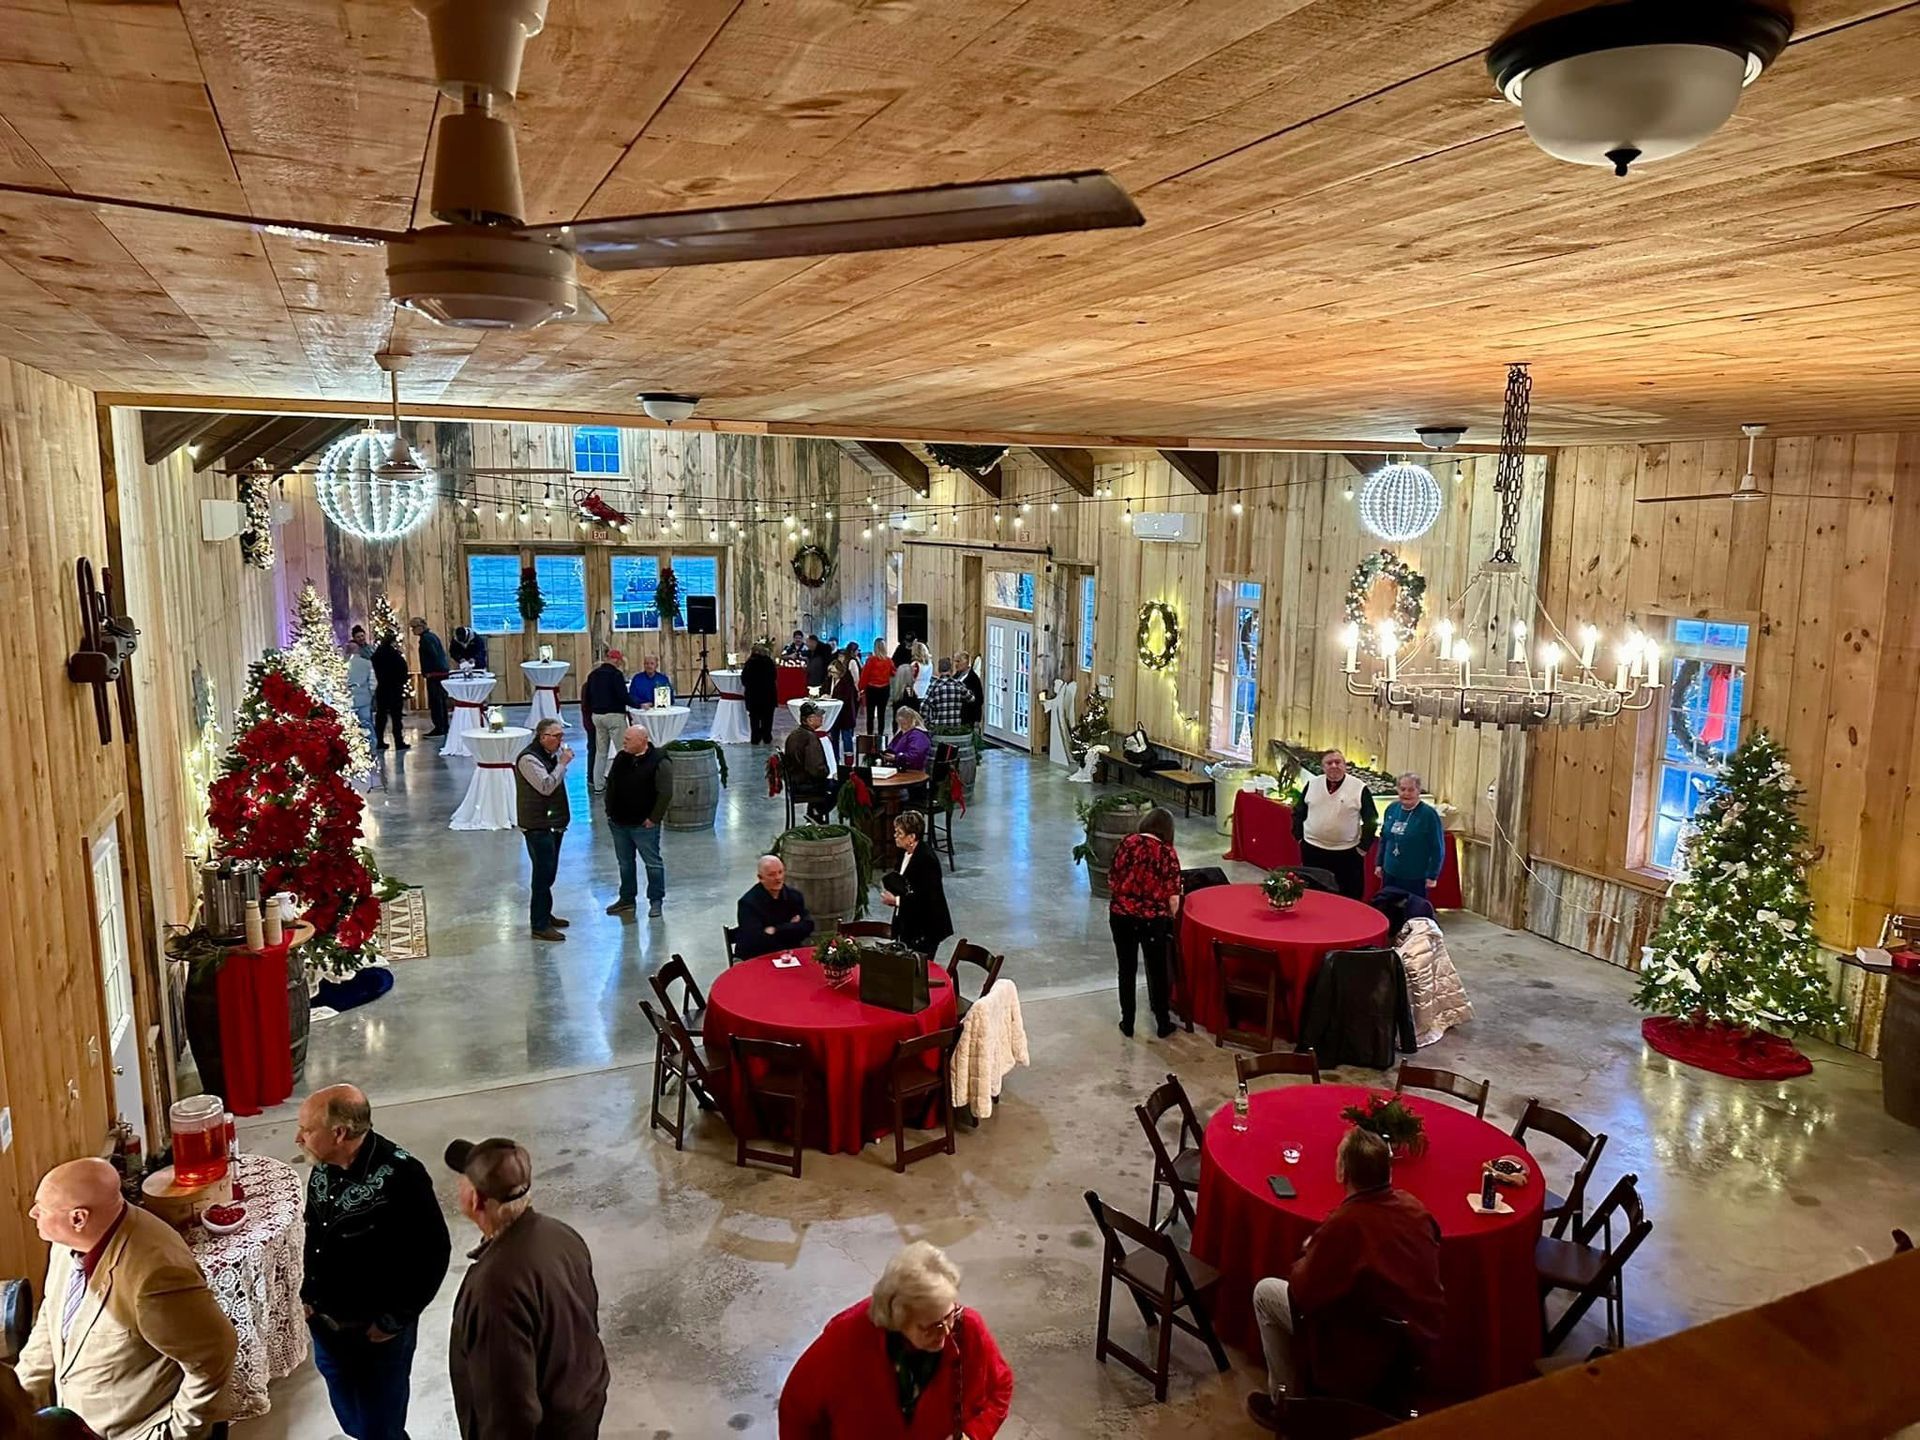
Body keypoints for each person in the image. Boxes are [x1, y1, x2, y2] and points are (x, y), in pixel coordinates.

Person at [15, 1158, 236, 1440]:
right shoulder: (67, 1243)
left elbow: (214, 1356)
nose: (33, 1213)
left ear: (78, 1218)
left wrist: (177, 1433)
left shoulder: (156, 1275)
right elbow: (52, 1316)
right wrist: (18, 1402)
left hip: (137, 1430)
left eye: (42, 1209)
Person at [1247, 1128, 1444, 1431]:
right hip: (1415, 1347)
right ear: (1387, 1172)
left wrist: (1309, 1253)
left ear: (1342, 1171)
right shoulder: (1414, 1207)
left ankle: (1285, 1404)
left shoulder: (1345, 1225)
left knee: (1265, 1293)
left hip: (1360, 1348)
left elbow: (1303, 1294)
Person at [297, 1085, 451, 1440]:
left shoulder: (403, 1177)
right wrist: (306, 1296)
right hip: (326, 1326)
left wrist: (393, 1321)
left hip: (376, 1336)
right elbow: (314, 1235)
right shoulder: (322, 1168)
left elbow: (433, 1253)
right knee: (356, 1423)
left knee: (380, 1429)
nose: (298, 1138)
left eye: (306, 1130)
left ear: (339, 1133)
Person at [444, 1139, 609, 1440]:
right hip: (580, 1408)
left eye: (463, 1179)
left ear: (476, 1200)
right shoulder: (561, 1235)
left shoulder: (494, 1289)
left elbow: (508, 1408)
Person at [778, 1241, 1012, 1440]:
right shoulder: (846, 1342)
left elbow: (1000, 1385)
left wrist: (974, 1434)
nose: (946, 1333)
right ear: (898, 1319)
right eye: (930, 1327)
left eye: (949, 1316)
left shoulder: (967, 1328)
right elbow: (797, 1410)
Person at [1105, 806, 1182, 1038]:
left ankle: (1127, 1022)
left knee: (1126, 969)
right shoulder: (1167, 853)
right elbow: (1173, 896)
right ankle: (1162, 1023)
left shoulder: (1127, 843)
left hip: (1121, 916)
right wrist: (1172, 919)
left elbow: (1112, 878)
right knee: (1158, 971)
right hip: (1152, 920)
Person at [1292, 749, 1378, 901]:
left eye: (1338, 762)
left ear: (1345, 766)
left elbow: (1371, 819)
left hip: (1347, 853)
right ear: (1323, 767)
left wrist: (1363, 847)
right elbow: (1299, 812)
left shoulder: (1359, 788)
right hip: (1313, 850)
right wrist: (1299, 837)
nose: (1334, 766)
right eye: (1329, 763)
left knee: (1348, 896)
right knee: (1314, 895)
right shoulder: (1312, 784)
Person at [605, 723, 672, 919]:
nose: (623, 743)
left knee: (652, 864)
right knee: (625, 863)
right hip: (619, 823)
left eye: (628, 740)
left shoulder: (660, 761)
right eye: (624, 739)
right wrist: (609, 811)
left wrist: (654, 818)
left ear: (643, 741)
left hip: (644, 825)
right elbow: (612, 784)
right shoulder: (621, 757)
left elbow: (665, 792)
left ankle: (656, 900)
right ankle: (626, 899)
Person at [516, 717, 573, 942]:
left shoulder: (547, 755)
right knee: (542, 875)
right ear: (542, 737)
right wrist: (563, 763)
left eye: (561, 736)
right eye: (556, 736)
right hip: (537, 825)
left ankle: (545, 914)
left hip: (552, 824)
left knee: (549, 873)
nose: (560, 741)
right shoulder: (529, 759)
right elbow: (546, 786)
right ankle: (539, 925)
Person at [881, 812, 951, 958]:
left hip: (926, 927)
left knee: (917, 970)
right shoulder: (905, 852)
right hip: (910, 921)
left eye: (899, 833)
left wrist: (896, 901)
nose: (895, 835)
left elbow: (927, 897)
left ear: (912, 837)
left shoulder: (926, 859)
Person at [1377, 772, 1445, 901]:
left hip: (1415, 876)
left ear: (1418, 791)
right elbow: (1384, 838)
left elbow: (1437, 847)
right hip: (1390, 872)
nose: (1406, 794)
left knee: (1412, 913)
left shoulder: (1428, 815)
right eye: (1402, 789)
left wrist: (1433, 875)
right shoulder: (1392, 809)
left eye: (1411, 790)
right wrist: (1379, 863)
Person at [735, 855, 814, 959]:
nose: (778, 878)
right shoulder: (748, 903)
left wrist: (776, 929)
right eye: (772, 874)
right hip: (757, 956)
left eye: (780, 872)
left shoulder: (794, 896)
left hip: (789, 953)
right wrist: (791, 927)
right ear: (760, 878)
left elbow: (808, 926)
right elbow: (756, 941)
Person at [579, 649, 630, 792]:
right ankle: (624, 784)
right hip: (614, 716)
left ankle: (598, 785)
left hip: (597, 717)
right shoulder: (616, 675)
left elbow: (587, 698)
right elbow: (623, 696)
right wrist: (638, 705)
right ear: (617, 660)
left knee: (601, 753)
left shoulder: (592, 675)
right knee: (622, 751)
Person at [782, 701, 841, 823]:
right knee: (841, 785)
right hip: (805, 784)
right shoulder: (810, 738)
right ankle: (817, 812)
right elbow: (816, 769)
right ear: (809, 720)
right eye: (818, 716)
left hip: (796, 781)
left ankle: (814, 812)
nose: (822, 718)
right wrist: (829, 774)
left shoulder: (794, 734)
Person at [409, 618, 451, 736]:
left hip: (435, 674)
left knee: (436, 701)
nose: (412, 631)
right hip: (440, 673)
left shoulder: (426, 639)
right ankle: (443, 726)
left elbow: (434, 656)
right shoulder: (431, 637)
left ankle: (439, 727)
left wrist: (430, 671)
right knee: (440, 701)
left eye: (413, 628)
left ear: (420, 627)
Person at [371, 630, 410, 753]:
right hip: (394, 688)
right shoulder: (395, 655)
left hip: (382, 688)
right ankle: (398, 741)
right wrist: (401, 681)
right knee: (396, 717)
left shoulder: (377, 654)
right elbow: (403, 669)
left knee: (381, 716)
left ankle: (380, 741)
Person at [743, 642, 779, 745]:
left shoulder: (749, 663)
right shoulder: (769, 662)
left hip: (753, 696)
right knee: (767, 717)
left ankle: (755, 738)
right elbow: (774, 676)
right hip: (768, 695)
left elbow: (744, 679)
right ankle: (767, 736)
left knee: (754, 718)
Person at [860, 638, 896, 739]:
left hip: (872, 689)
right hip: (884, 689)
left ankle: (870, 735)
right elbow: (894, 673)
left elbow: (865, 676)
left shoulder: (870, 660)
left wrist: (861, 688)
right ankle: (880, 735)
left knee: (870, 715)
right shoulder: (889, 661)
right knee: (882, 714)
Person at [921, 657, 968, 732]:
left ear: (938, 670)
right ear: (951, 670)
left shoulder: (934, 686)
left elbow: (924, 706)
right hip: (955, 728)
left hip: (938, 729)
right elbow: (971, 698)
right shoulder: (958, 685)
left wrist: (927, 722)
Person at [828, 656, 861, 759]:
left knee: (847, 738)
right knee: (834, 738)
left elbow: (845, 697)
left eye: (834, 672)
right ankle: (835, 758)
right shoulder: (829, 680)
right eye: (830, 672)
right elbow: (824, 689)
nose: (832, 675)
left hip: (845, 714)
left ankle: (849, 759)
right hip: (834, 715)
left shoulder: (847, 682)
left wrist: (831, 698)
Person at [345, 641, 375, 748]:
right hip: (364, 698)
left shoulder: (342, 664)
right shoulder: (367, 663)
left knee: (349, 725)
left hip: (347, 699)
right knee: (367, 723)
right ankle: (371, 746)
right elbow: (372, 681)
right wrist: (371, 694)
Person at [884, 707, 932, 772]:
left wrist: (896, 757)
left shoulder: (918, 735)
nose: (902, 726)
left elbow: (916, 756)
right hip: (900, 768)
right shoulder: (903, 733)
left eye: (904, 723)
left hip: (911, 771)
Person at [954, 652, 984, 728]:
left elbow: (979, 699)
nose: (956, 664)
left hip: (968, 715)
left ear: (965, 663)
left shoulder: (973, 679)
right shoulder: (956, 676)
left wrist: (977, 718)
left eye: (958, 661)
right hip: (956, 714)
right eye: (955, 661)